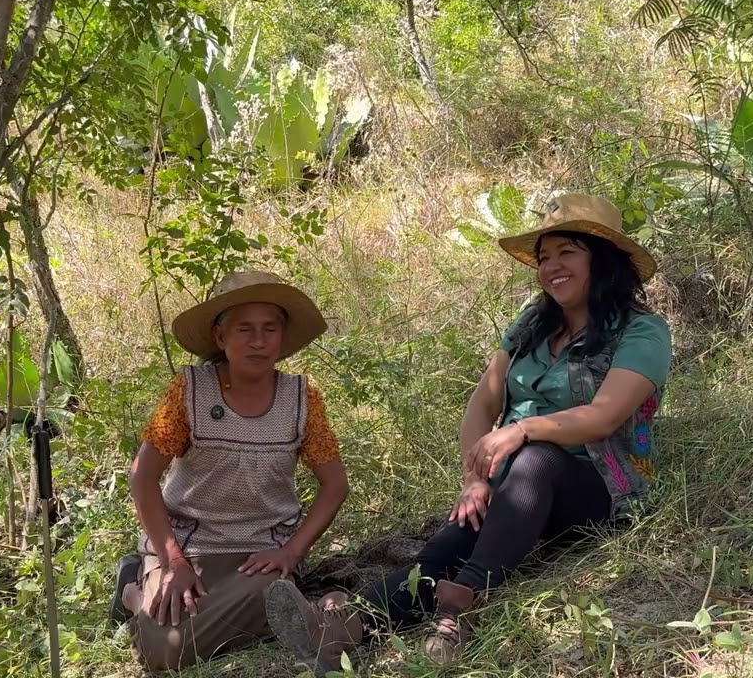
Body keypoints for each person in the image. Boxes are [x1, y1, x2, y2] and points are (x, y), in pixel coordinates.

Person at [264, 193, 671, 672]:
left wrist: (521, 430)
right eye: (544, 257)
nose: (551, 266)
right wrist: (474, 479)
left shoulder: (641, 332)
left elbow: (603, 416)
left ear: (601, 260)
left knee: (535, 456)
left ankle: (459, 611)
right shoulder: (532, 327)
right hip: (516, 487)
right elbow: (483, 402)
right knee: (455, 536)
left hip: (600, 486)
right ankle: (346, 629)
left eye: (567, 253)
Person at [114, 271, 350, 670]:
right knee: (163, 651)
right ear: (220, 338)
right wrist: (173, 563)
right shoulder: (190, 391)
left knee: (264, 591)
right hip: (189, 546)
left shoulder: (301, 398)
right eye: (244, 329)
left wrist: (292, 551)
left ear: (282, 337)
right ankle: (137, 591)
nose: (258, 341)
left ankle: (286, 609)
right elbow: (143, 476)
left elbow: (335, 485)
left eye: (269, 329)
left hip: (259, 553)